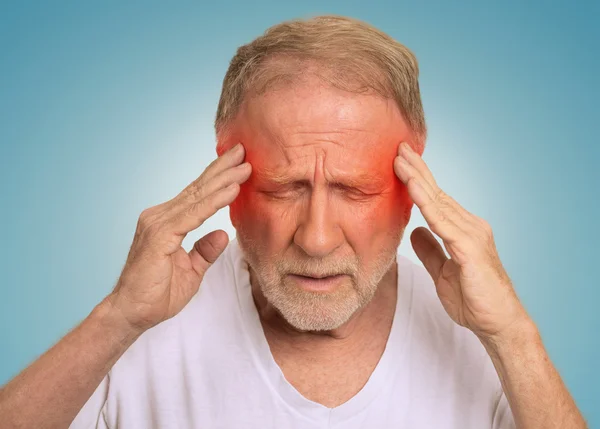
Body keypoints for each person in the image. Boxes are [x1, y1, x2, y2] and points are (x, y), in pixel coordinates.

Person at [0, 15, 587, 429]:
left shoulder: (482, 337)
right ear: (225, 174)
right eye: (283, 187)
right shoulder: (142, 328)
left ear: (415, 182)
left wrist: (512, 335)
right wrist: (117, 318)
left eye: (355, 190)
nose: (317, 238)